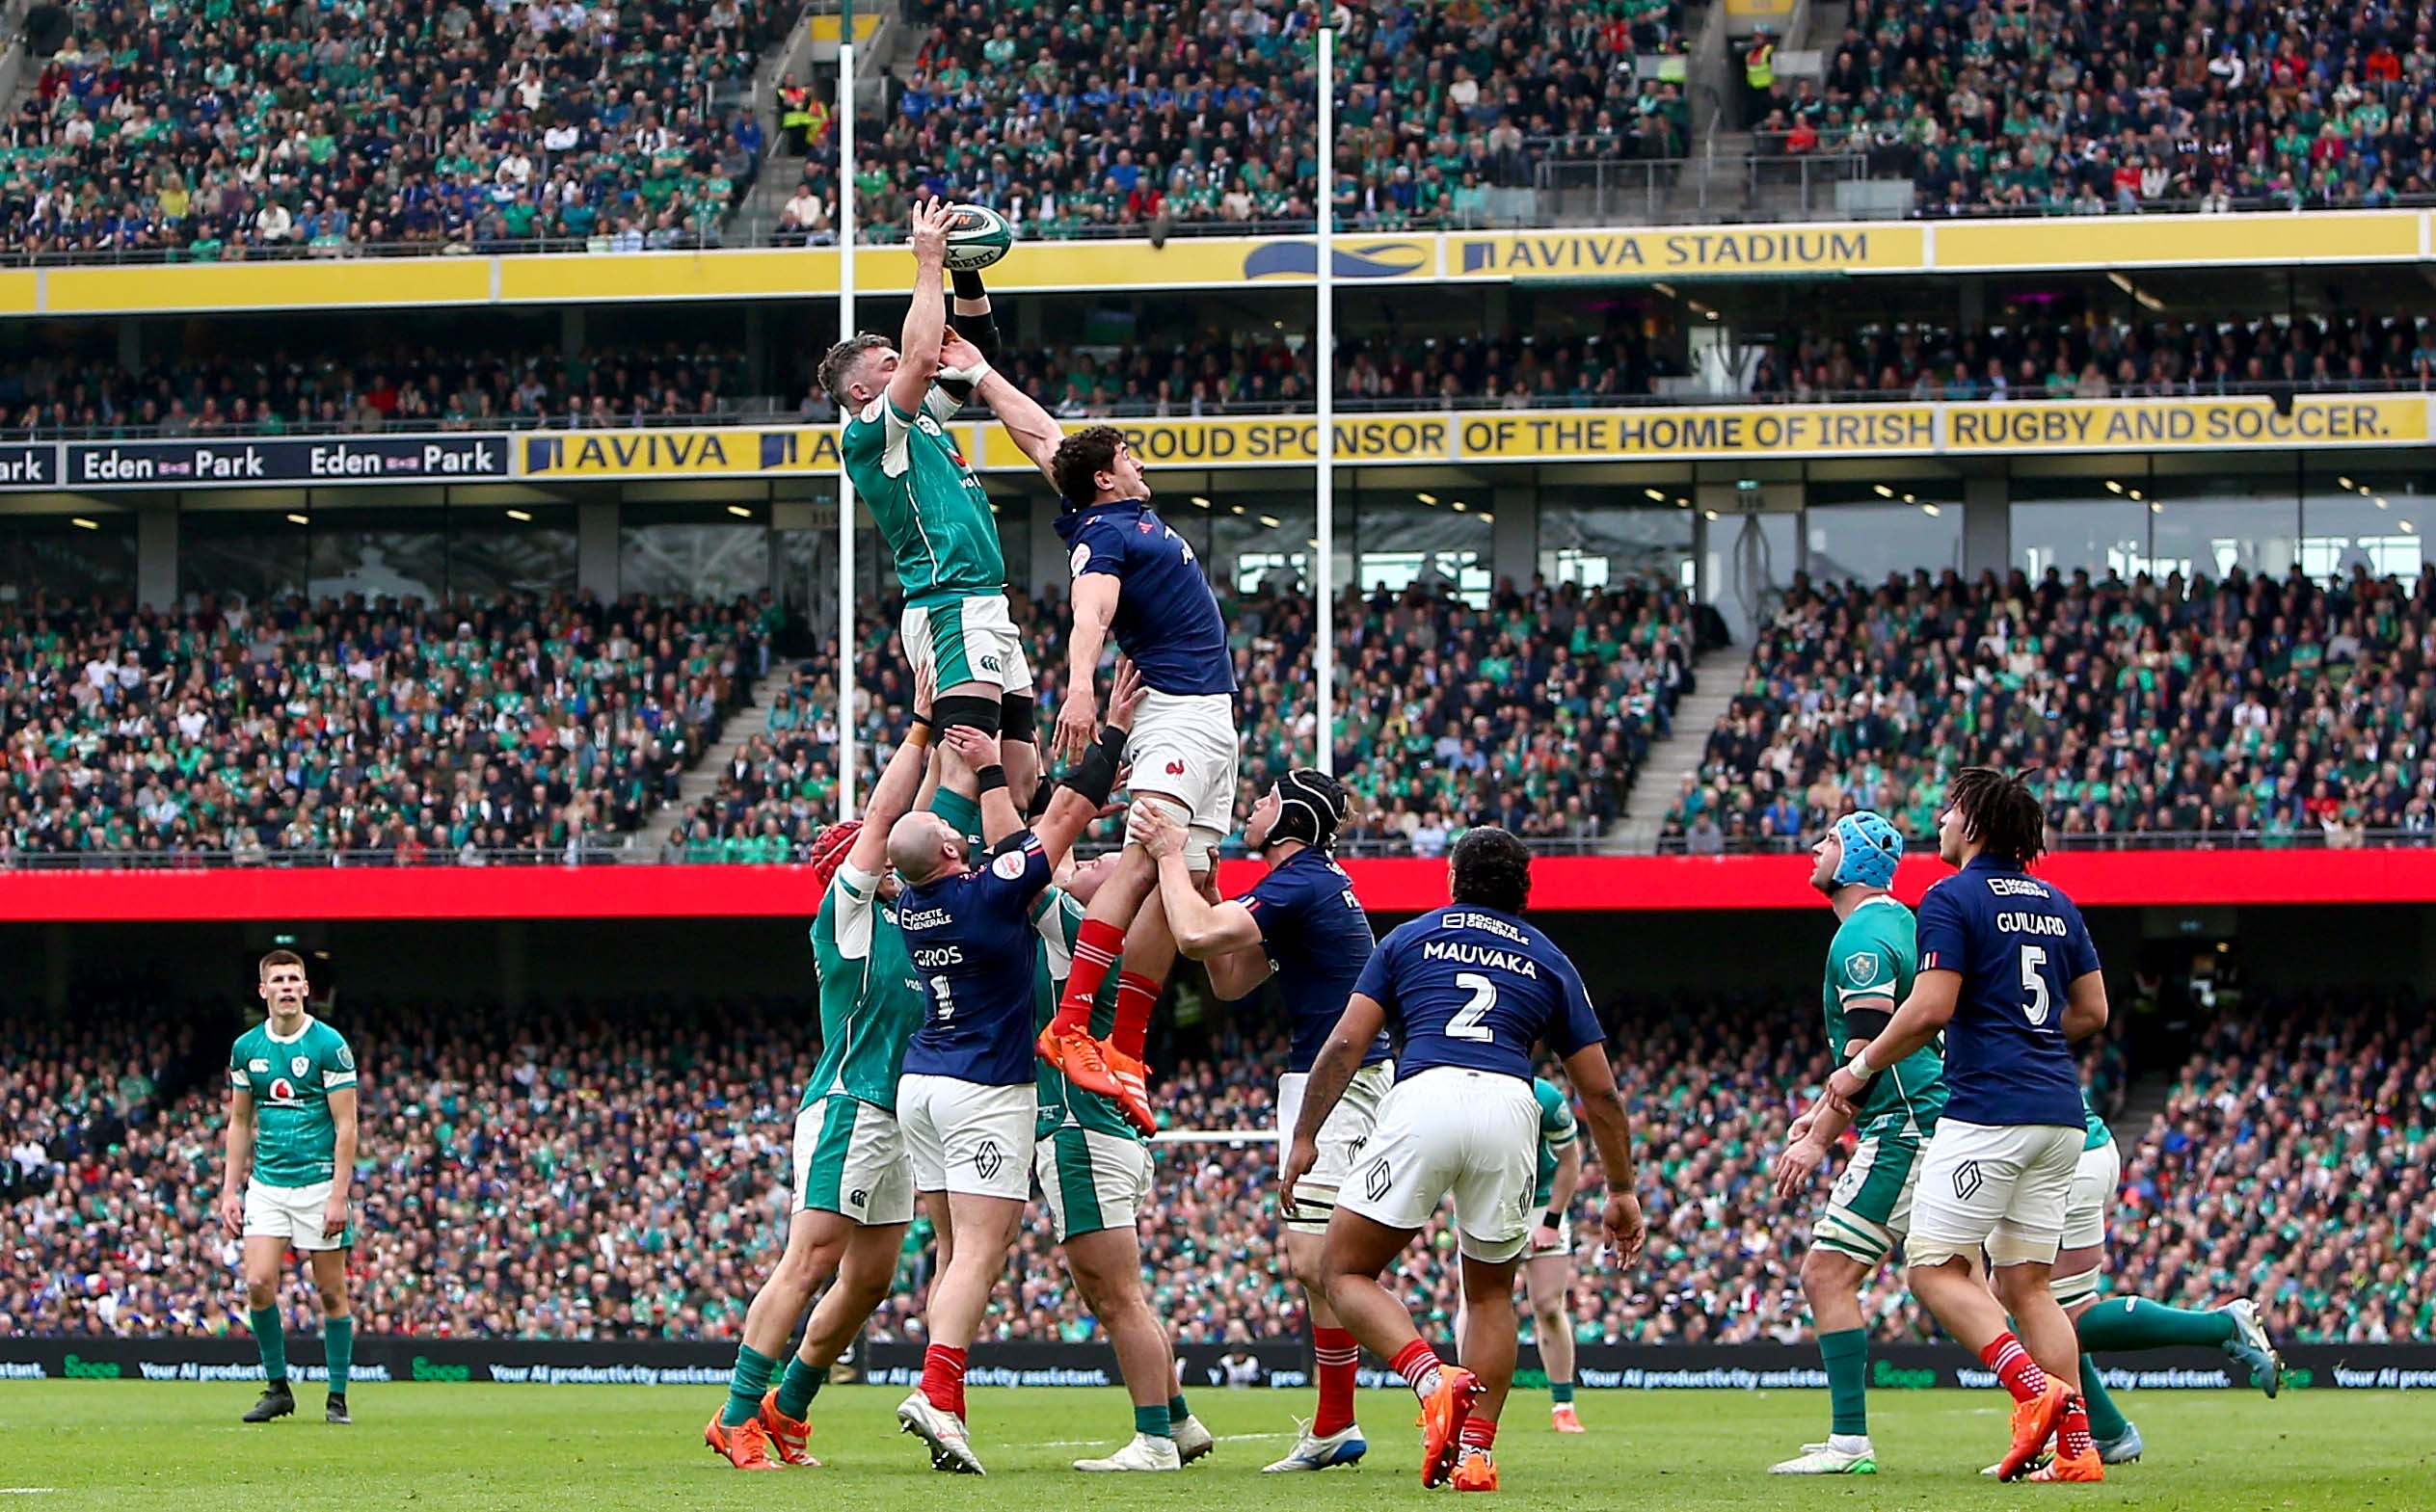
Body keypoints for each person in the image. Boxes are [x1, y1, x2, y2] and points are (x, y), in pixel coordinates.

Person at [1282, 827, 1646, 1492]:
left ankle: (1430, 1378)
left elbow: (1343, 1045)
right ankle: (1475, 1452)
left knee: (1340, 1268)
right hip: (1511, 1105)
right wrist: (1620, 1188)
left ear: (1452, 880)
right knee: (1489, 1293)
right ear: (1523, 893)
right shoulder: (1548, 956)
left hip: (1425, 1094)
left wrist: (1306, 1135)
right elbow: (1600, 1090)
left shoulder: (1409, 938)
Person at [1816, 768, 2110, 1482]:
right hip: (2061, 1114)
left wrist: (1855, 1072)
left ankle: (2037, 1393)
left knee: (1933, 1266)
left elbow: (1927, 1010)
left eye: (1948, 811)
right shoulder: (2057, 901)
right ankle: (2077, 1451)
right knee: (2027, 1285)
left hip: (1988, 1111)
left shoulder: (1949, 897)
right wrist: (2026, 1029)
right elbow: (2092, 1012)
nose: (1939, 822)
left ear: (1974, 825)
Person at [887, 667, 1142, 1474]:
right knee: (980, 1252)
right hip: (983, 1086)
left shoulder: (909, 901)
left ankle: (944, 1398)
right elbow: (1057, 821)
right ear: (955, 850)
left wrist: (972, 747)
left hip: (919, 1082)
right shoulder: (988, 894)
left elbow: (973, 829)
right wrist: (1107, 738)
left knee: (951, 1248)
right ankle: (939, 1394)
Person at [705, 673, 938, 1470]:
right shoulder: (847, 916)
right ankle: (734, 1415)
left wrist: (949, 740)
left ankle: (787, 1407)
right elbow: (886, 819)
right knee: (808, 1260)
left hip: (898, 1117)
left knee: (869, 1279)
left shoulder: (912, 920)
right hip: (849, 1104)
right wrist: (916, 730)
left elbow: (918, 821)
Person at [1133, 769, 1385, 1472]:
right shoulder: (1304, 884)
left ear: (1290, 822)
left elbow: (1191, 938)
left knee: (1318, 1260)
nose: (1253, 806)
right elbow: (1229, 976)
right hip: (1340, 1078)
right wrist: (1210, 889)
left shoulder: (1298, 879)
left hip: (1333, 1082)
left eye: (1266, 799)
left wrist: (1165, 853)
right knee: (1318, 1264)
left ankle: (1429, 1378)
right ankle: (1336, 1422)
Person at [819, 197, 1063, 814]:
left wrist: (963, 267)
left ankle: (1000, 872)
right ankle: (943, 892)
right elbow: (926, 356)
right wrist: (927, 261)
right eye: (888, 365)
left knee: (1021, 770)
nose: (907, 366)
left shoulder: (922, 416)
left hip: (983, 601)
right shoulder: (871, 432)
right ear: (861, 390)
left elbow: (975, 347)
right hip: (949, 602)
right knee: (964, 761)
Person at [1036, 424, 1242, 1137]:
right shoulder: (1103, 535)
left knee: (1178, 874)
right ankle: (1069, 1025)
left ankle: (1125, 1045)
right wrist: (1079, 689)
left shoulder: (1120, 511)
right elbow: (1089, 611)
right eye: (1127, 454)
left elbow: (1041, 433)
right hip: (1173, 712)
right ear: (1102, 476)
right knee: (1138, 858)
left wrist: (980, 368)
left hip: (1211, 717)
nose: (1140, 460)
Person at [1768, 811, 1945, 1474]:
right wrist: (1817, 1111)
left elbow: (1866, 1053)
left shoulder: (1861, 937)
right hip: (1926, 1115)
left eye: (1832, 840)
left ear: (1858, 862)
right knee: (1978, 1286)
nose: (1816, 849)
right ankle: (2062, 1411)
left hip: (1902, 1123)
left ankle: (1849, 1442)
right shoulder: (1898, 921)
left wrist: (1817, 1137)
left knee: (1825, 1272)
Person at [1983, 1085, 2283, 1474]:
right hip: (2076, 1143)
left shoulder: (1936, 1031)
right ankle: (2106, 1432)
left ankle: (2221, 1327)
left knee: (2025, 1305)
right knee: (2050, 1307)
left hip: (2051, 1154)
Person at [1029, 854, 1216, 1472]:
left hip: (1081, 1129)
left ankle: (1154, 1440)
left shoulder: (1080, 929)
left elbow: (1027, 864)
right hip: (1110, 1133)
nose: (1090, 860)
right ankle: (1180, 1421)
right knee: (1119, 1295)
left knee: (1117, 1301)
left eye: (1102, 861)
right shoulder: (1107, 946)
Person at [221, 949, 360, 1426]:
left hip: (319, 1184)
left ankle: (336, 1396)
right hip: (268, 1186)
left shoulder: (329, 1045)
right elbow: (240, 1122)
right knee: (258, 1283)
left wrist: (339, 1194)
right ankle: (278, 1387)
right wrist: (228, 1190)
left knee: (330, 1293)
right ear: (263, 991)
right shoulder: (247, 1049)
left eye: (293, 979)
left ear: (305, 988)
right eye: (276, 979)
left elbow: (347, 1126)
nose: (285, 986)